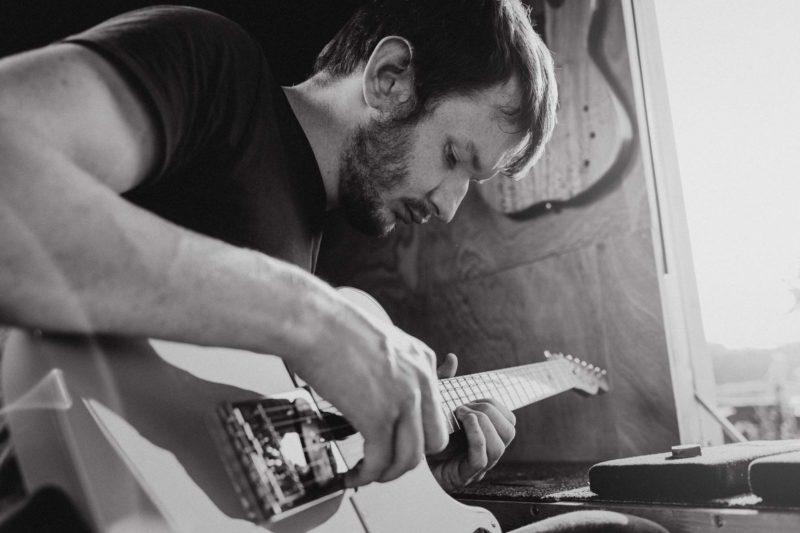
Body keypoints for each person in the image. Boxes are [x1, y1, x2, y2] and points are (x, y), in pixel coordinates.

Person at [0, 0, 557, 497]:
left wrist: (409, 485)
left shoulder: (316, 239)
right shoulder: (216, 68)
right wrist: (312, 319)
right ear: (389, 78)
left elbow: (191, 438)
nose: (450, 207)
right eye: (455, 157)